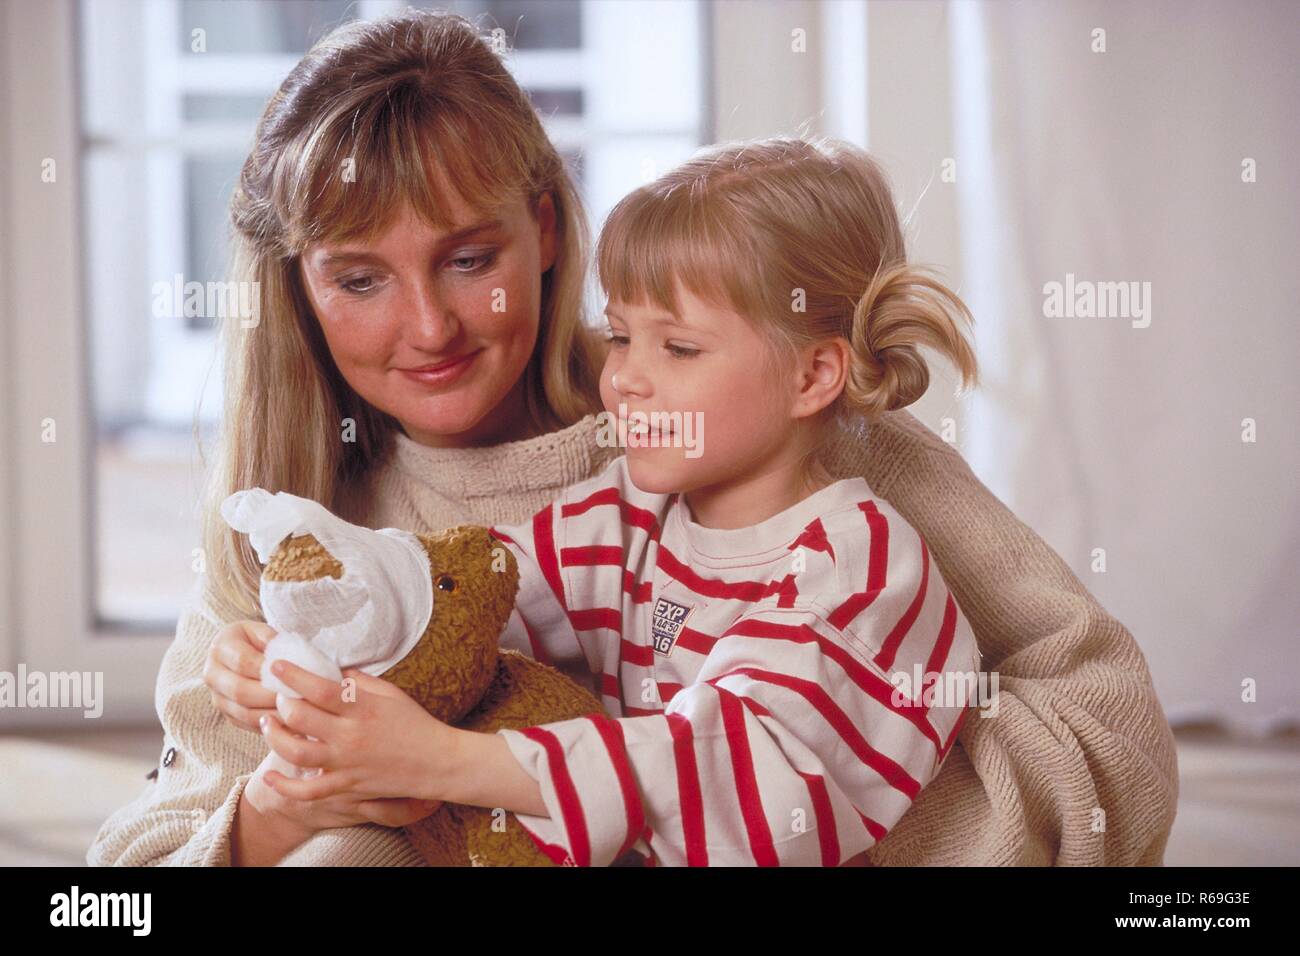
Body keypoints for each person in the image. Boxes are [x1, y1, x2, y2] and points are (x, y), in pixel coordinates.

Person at [85, 9, 1177, 867]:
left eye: (470, 258)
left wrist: (828, 794)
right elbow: (118, 883)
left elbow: (1109, 728)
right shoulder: (306, 543)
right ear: (300, 289)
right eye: (360, 278)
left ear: (545, 226)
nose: (428, 326)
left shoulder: (761, 438)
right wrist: (283, 807)